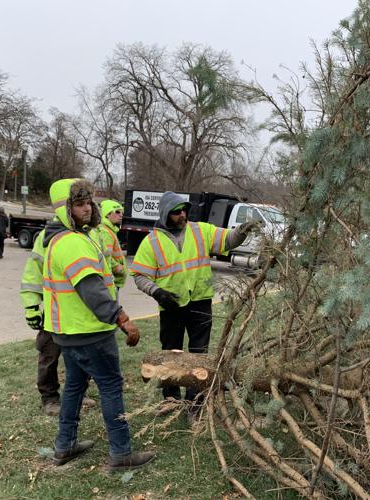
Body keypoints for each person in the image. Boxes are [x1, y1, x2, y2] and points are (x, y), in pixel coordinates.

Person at [42, 178, 155, 470]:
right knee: (111, 387)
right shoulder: (71, 243)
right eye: (78, 204)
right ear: (63, 209)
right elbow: (92, 291)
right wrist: (123, 319)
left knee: (74, 389)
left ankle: (64, 446)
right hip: (91, 332)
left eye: (89, 202)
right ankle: (121, 453)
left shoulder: (69, 237)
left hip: (71, 334)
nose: (87, 209)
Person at [129, 191, 260, 423]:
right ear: (165, 214)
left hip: (200, 302)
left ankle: (195, 402)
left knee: (199, 354)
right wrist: (157, 292)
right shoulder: (152, 242)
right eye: (176, 212)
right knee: (171, 353)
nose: (182, 215)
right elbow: (140, 275)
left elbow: (227, 239)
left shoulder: (200, 230)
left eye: (184, 210)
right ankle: (170, 399)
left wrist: (241, 231)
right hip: (170, 305)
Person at [19, 223, 96, 416]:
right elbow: (33, 272)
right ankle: (50, 398)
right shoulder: (48, 235)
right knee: (49, 356)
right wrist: (31, 307)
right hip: (54, 312)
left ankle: (80, 391)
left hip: (80, 312)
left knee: (82, 355)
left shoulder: (89, 233)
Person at [99, 200, 127, 290]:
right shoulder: (105, 232)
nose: (121, 215)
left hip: (113, 280)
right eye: (117, 212)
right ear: (107, 214)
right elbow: (106, 257)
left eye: (122, 212)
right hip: (111, 281)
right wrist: (119, 268)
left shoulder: (110, 230)